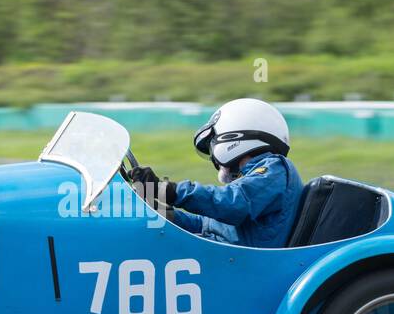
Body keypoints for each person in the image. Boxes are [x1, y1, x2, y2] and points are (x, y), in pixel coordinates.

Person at [130, 97, 303, 249]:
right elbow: (205, 224)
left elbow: (233, 203)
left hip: (240, 265)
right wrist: (162, 211)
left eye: (213, 143)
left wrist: (169, 190)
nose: (213, 155)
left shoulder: (275, 169)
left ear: (233, 137)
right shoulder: (254, 180)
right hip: (228, 258)